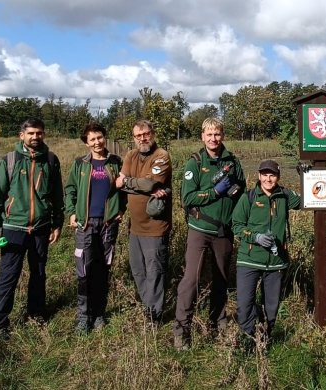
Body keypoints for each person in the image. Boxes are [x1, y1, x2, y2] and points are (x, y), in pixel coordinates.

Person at [0, 118, 64, 340]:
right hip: (13, 228)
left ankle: (36, 315)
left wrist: (57, 223)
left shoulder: (50, 160)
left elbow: (58, 195)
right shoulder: (9, 161)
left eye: (39, 133)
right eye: (30, 133)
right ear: (21, 135)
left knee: (38, 274)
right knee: (9, 275)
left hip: (41, 227)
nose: (35, 137)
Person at [174, 117, 245, 349]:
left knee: (221, 279)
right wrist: (214, 192)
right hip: (200, 228)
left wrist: (236, 192)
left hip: (224, 231)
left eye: (217, 134)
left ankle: (218, 321)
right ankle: (182, 329)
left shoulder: (232, 161)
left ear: (222, 135)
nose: (213, 138)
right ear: (202, 136)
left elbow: (242, 189)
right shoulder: (195, 162)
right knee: (191, 280)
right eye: (209, 134)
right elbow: (188, 198)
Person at [231, 160, 301, 353]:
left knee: (271, 307)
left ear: (278, 177)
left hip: (276, 262)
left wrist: (305, 177)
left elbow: (308, 200)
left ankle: (265, 340)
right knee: (245, 304)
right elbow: (236, 225)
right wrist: (255, 237)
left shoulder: (285, 196)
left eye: (272, 175)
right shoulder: (249, 197)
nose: (268, 179)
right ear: (259, 176)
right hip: (249, 260)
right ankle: (247, 341)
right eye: (265, 175)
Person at [64, 123, 125, 334]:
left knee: (103, 268)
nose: (97, 142)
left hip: (108, 225)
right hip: (85, 224)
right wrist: (71, 212)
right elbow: (70, 189)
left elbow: (124, 189)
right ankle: (84, 316)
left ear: (104, 137)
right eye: (92, 139)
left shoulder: (116, 162)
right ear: (86, 143)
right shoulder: (80, 164)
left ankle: (99, 314)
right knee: (84, 270)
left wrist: (121, 210)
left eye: (100, 137)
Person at [116, 119, 172, 325]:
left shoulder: (162, 156)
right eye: (138, 136)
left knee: (155, 272)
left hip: (155, 227)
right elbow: (118, 182)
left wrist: (128, 183)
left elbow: (149, 182)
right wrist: (139, 186)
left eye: (146, 134)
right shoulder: (131, 155)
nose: (143, 138)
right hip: (135, 228)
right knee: (138, 270)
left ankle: (153, 317)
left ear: (153, 133)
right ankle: (147, 307)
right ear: (134, 138)